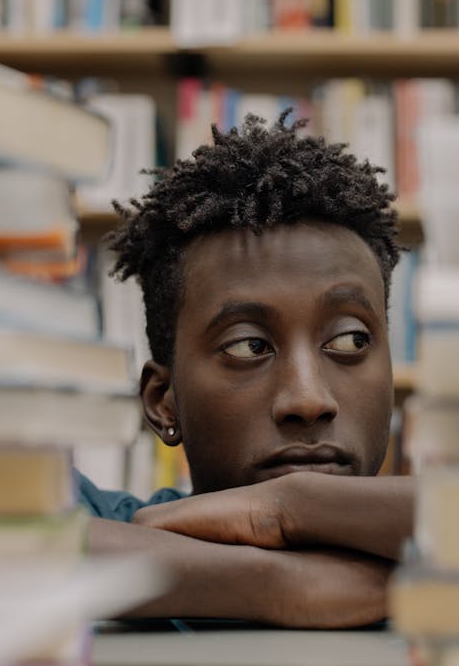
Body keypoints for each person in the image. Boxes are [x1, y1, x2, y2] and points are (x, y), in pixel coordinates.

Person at [83, 112, 415, 627]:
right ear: (162, 400)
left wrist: (289, 509)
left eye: (350, 340)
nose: (308, 400)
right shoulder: (114, 526)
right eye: (247, 347)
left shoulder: (450, 558)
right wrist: (281, 586)